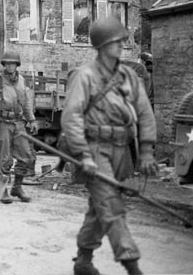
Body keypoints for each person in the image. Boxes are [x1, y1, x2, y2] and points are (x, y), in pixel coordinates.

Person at [61, 17, 157, 275]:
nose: (121, 46)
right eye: (116, 41)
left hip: (122, 151)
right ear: (102, 45)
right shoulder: (85, 76)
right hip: (94, 149)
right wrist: (83, 154)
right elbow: (71, 117)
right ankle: (133, 266)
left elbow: (145, 113)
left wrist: (146, 151)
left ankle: (83, 260)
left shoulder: (128, 76)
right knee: (112, 207)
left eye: (121, 41)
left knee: (100, 207)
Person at [0, 50, 37, 203]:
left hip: (18, 123)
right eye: (7, 63)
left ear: (17, 65)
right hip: (2, 123)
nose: (10, 66)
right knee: (4, 159)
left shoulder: (22, 81)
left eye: (13, 63)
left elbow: (26, 103)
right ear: (4, 64)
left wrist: (31, 119)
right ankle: (3, 189)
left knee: (26, 156)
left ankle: (17, 187)